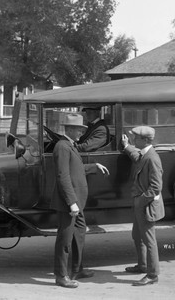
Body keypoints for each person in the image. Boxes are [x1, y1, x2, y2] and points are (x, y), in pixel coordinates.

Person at [51, 113, 110, 289]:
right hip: (69, 203)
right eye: (79, 129)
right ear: (69, 129)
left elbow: (75, 168)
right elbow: (63, 176)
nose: (81, 133)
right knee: (65, 240)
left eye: (82, 129)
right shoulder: (62, 146)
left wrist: (94, 166)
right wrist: (71, 202)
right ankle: (61, 276)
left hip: (77, 201)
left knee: (79, 235)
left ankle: (77, 269)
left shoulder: (70, 145)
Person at [121, 126, 165, 286]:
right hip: (142, 204)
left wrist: (140, 201)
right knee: (137, 236)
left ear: (145, 140)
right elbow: (136, 156)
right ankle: (143, 265)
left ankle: (152, 275)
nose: (134, 140)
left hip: (146, 205)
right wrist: (126, 146)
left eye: (136, 138)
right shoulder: (145, 154)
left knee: (149, 240)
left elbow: (155, 187)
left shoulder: (152, 159)